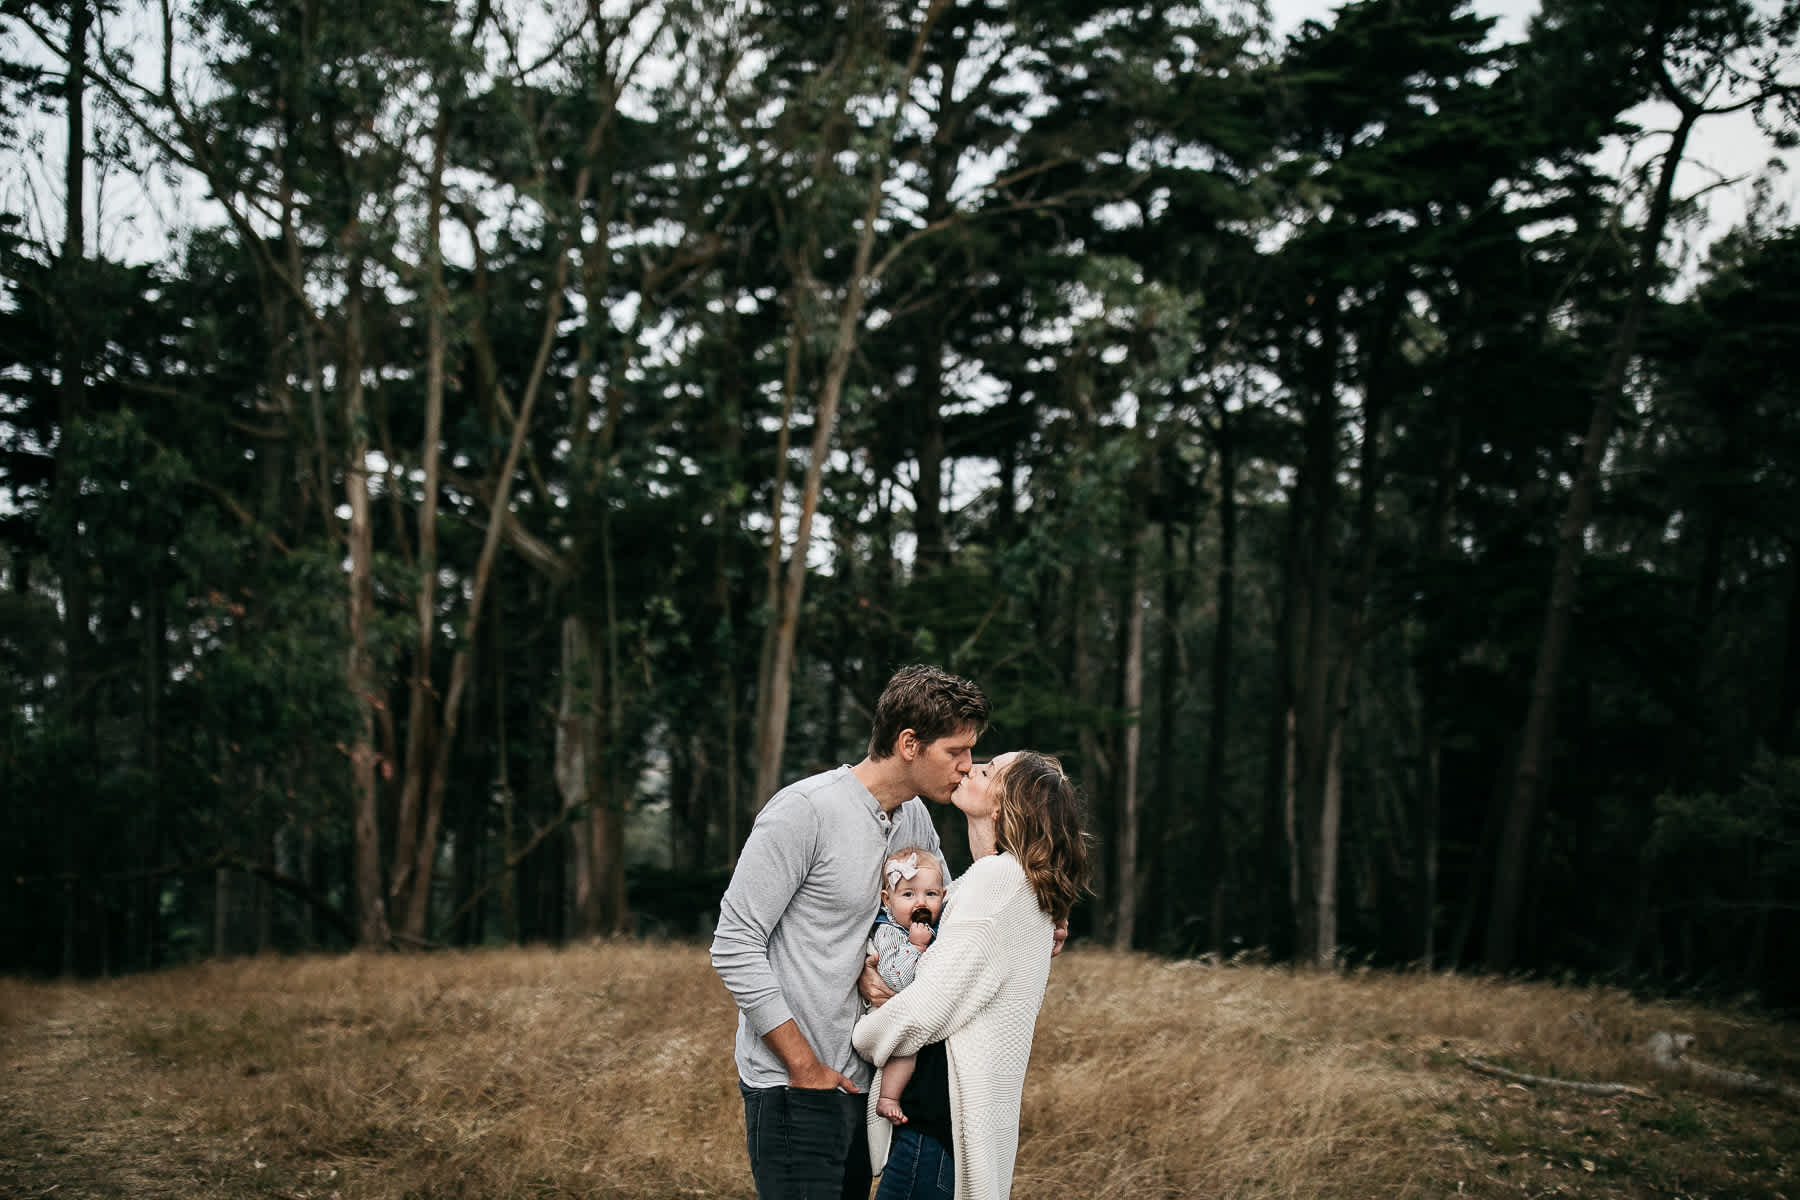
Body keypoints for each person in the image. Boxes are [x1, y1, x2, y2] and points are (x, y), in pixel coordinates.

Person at [710, 664, 990, 1200]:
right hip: (796, 1086)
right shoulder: (804, 810)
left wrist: (1034, 914)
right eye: (956, 751)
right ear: (909, 744)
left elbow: (953, 923)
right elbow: (734, 943)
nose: (966, 766)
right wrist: (803, 1065)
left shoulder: (914, 821)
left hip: (870, 1087)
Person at [852, 750, 1093, 1200]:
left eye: (986, 770)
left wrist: (867, 1031)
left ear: (1006, 805)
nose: (968, 766)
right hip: (940, 1128)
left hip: (936, 1130)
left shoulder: (998, 882)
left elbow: (927, 1009)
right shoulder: (999, 883)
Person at [867, 847, 946, 1126]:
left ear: (943, 897)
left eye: (930, 894)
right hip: (887, 1013)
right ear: (887, 900)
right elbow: (895, 978)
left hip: (922, 1011)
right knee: (905, 1047)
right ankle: (888, 1097)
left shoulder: (938, 927)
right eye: (908, 894)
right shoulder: (889, 932)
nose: (920, 903)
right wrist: (915, 946)